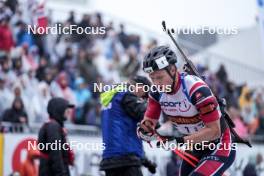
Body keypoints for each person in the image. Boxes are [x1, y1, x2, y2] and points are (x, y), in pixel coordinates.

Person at [137, 46, 236, 176]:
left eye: (159, 77)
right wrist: (144, 130)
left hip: (219, 145)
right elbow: (149, 122)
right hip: (195, 146)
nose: (155, 83)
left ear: (172, 70)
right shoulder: (156, 93)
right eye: (152, 78)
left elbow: (214, 131)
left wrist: (179, 141)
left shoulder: (195, 89)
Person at [100, 76, 157, 176]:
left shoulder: (112, 97)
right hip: (126, 158)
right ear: (140, 87)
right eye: (144, 95)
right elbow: (146, 115)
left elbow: (125, 130)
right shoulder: (126, 96)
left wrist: (146, 162)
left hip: (110, 158)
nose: (143, 99)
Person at [38, 97, 75, 176]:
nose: (68, 111)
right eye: (66, 108)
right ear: (59, 109)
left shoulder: (54, 125)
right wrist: (61, 173)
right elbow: (56, 155)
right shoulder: (53, 127)